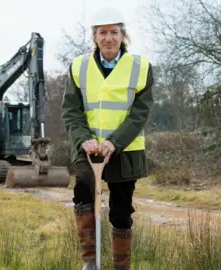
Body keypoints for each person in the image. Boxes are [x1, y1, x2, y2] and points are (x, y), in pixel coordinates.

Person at [61, 5, 154, 270]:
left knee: (121, 210)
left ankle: (120, 267)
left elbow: (140, 113)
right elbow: (71, 110)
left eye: (114, 32)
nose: (109, 38)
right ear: (95, 36)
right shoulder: (79, 67)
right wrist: (83, 139)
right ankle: (90, 262)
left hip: (126, 151)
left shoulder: (140, 67)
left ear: (123, 35)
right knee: (82, 190)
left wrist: (115, 142)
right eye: (103, 32)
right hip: (88, 149)